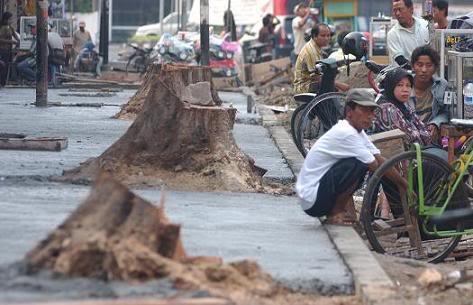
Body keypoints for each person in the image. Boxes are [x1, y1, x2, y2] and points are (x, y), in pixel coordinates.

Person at [296, 88, 406, 225]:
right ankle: (336, 213)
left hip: (316, 195)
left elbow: (379, 158)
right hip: (312, 199)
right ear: (349, 111)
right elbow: (374, 165)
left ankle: (341, 213)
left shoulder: (357, 132)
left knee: (363, 163)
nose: (370, 116)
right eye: (365, 110)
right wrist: (399, 183)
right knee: (358, 164)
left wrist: (403, 185)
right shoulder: (346, 132)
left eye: (372, 111)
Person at [372, 67, 432, 146]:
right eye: (400, 85)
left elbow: (423, 130)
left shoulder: (403, 105)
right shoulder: (386, 108)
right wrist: (422, 135)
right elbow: (407, 137)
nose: (405, 89)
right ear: (391, 86)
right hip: (396, 155)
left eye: (408, 85)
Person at [293, 23, 349, 94]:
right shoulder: (311, 51)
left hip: (312, 83)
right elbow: (316, 77)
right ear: (314, 36)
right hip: (304, 86)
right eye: (323, 36)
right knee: (330, 86)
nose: (326, 38)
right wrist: (340, 85)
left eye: (328, 35)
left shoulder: (317, 48)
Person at [409, 46, 448, 143]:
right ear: (413, 66)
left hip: (431, 140)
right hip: (409, 137)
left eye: (429, 65)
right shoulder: (404, 84)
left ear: (435, 68)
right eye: (419, 65)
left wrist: (435, 123)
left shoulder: (442, 85)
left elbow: (446, 112)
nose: (424, 70)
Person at [387, 0, 429, 68]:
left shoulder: (425, 25)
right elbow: (400, 60)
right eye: (395, 10)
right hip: (406, 76)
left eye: (400, 9)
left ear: (411, 9)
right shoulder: (393, 34)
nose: (397, 13)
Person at [0, 12, 20, 86]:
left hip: (9, 50)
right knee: (3, 66)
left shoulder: (10, 27)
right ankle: (2, 82)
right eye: (10, 19)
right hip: (3, 49)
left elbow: (15, 35)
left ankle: (4, 82)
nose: (11, 20)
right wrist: (11, 41)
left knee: (7, 66)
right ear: (6, 19)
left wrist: (18, 40)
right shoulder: (3, 28)